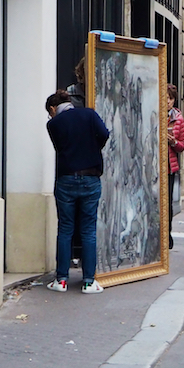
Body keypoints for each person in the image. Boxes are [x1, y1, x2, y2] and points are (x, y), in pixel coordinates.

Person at [45, 89, 110, 294]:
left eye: (50, 112)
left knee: (65, 228)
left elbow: (60, 148)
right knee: (88, 230)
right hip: (91, 176)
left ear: (53, 108)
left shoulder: (53, 124)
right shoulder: (89, 114)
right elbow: (105, 134)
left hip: (66, 178)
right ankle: (89, 281)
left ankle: (61, 280)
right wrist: (93, 148)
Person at [165, 84, 184, 249]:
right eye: (165, 98)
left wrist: (173, 142)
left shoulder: (178, 119)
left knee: (168, 204)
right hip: (152, 165)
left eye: (170, 99)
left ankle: (167, 235)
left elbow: (181, 146)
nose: (167, 102)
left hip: (169, 166)